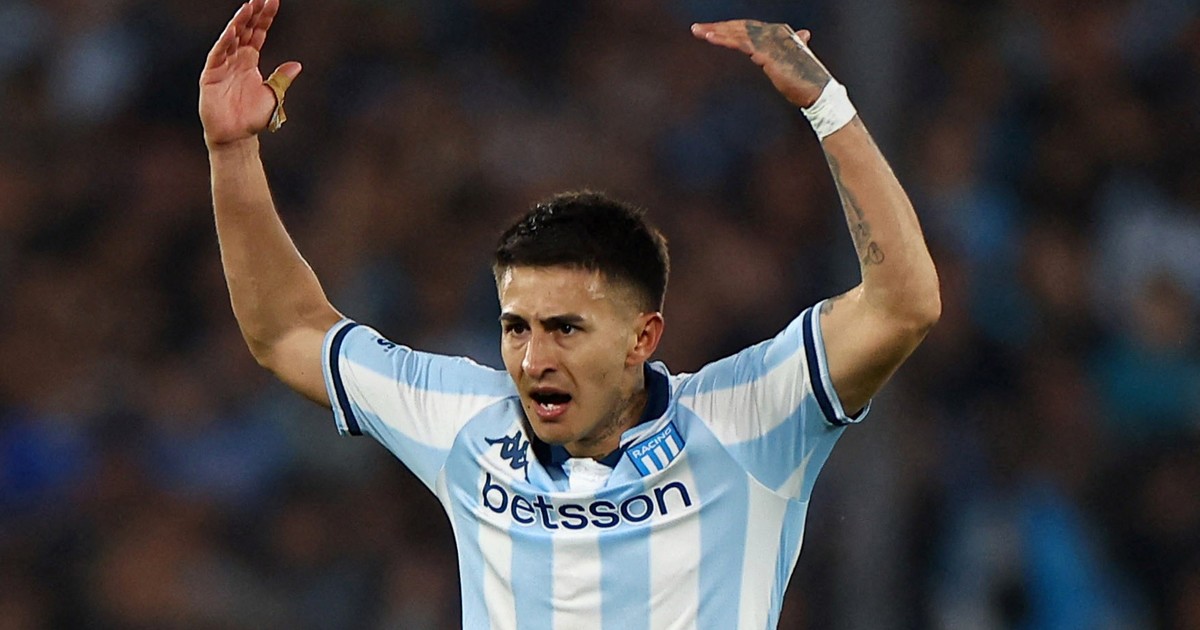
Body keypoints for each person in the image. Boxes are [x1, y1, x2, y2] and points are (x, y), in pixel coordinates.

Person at [198, 0, 940, 627]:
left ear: (642, 337)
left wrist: (826, 105)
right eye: (515, 327)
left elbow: (903, 305)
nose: (532, 359)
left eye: (565, 329)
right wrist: (232, 151)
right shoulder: (468, 423)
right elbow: (288, 332)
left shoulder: (747, 418)